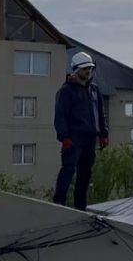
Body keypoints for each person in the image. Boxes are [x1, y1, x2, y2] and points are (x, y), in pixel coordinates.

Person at [53, 51, 108, 211]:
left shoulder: (94, 90)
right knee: (68, 170)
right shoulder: (66, 91)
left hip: (90, 137)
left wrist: (103, 133)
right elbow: (60, 115)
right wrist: (64, 138)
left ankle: (80, 208)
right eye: (85, 68)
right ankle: (58, 204)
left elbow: (100, 112)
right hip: (73, 138)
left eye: (89, 68)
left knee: (85, 173)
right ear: (76, 70)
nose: (87, 71)